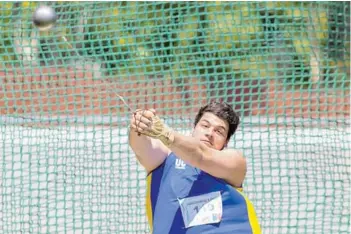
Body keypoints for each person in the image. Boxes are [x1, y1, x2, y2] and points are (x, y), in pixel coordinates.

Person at [128, 101, 261, 234]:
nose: (210, 133)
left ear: (225, 142)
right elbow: (140, 147)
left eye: (219, 132)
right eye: (205, 125)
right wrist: (138, 126)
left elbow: (201, 155)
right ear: (194, 128)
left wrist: (166, 134)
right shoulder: (166, 158)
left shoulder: (234, 162)